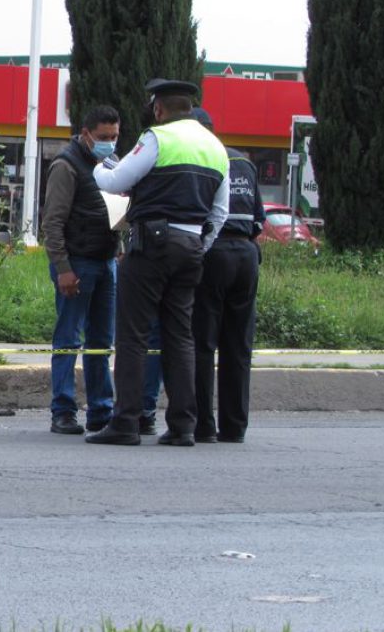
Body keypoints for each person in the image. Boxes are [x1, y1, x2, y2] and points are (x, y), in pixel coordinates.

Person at [85, 78, 229, 447]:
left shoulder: (157, 138)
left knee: (132, 334)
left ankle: (126, 423)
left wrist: (99, 163)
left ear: (159, 108)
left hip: (151, 245)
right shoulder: (216, 148)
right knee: (180, 336)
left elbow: (117, 181)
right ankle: (183, 426)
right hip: (191, 246)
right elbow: (220, 211)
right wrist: (199, 242)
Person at [40, 105, 122, 435]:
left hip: (105, 262)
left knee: (101, 341)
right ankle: (63, 411)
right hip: (77, 264)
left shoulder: (111, 165)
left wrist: (120, 252)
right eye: (104, 137)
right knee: (68, 339)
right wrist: (63, 268)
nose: (110, 143)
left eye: (115, 137)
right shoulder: (66, 165)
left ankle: (101, 411)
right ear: (86, 134)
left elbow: (117, 214)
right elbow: (53, 222)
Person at [189, 107, 265, 444]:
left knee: (203, 343)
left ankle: (202, 425)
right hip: (246, 256)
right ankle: (235, 427)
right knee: (238, 346)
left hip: (213, 252)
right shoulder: (244, 163)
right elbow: (259, 220)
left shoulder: (201, 160)